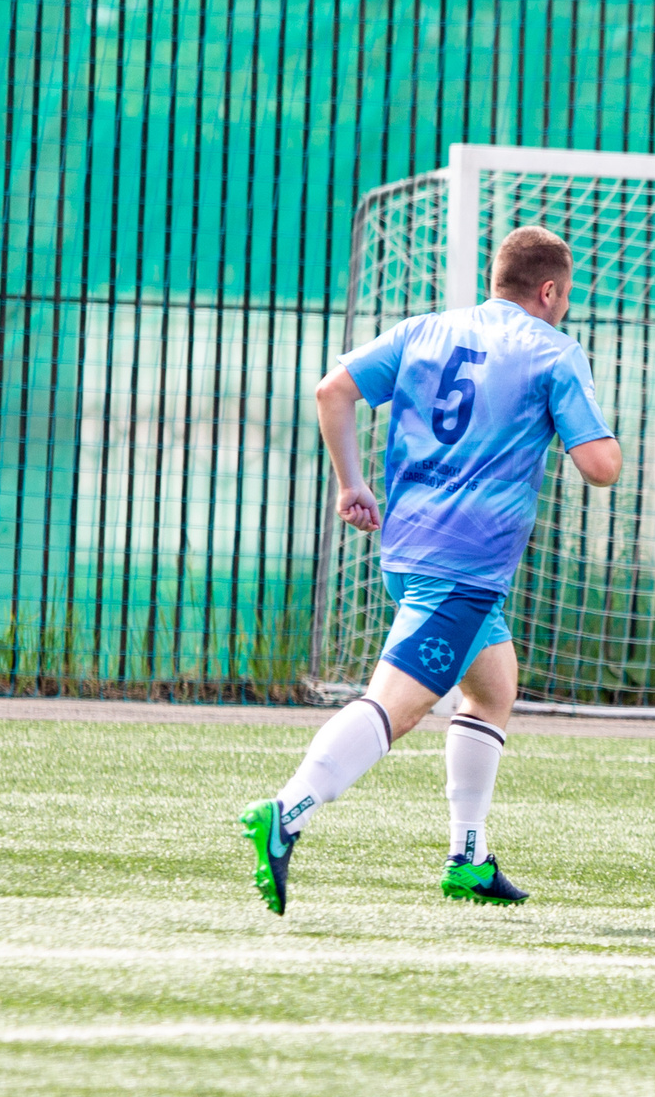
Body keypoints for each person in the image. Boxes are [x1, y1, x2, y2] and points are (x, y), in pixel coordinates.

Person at [238, 225, 621, 915]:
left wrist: (350, 483)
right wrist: (594, 431)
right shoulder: (553, 352)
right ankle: (286, 810)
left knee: (493, 687)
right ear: (550, 290)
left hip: (409, 546)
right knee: (398, 706)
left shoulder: (425, 328)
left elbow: (333, 390)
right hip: (463, 565)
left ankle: (469, 857)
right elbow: (600, 467)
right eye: (565, 296)